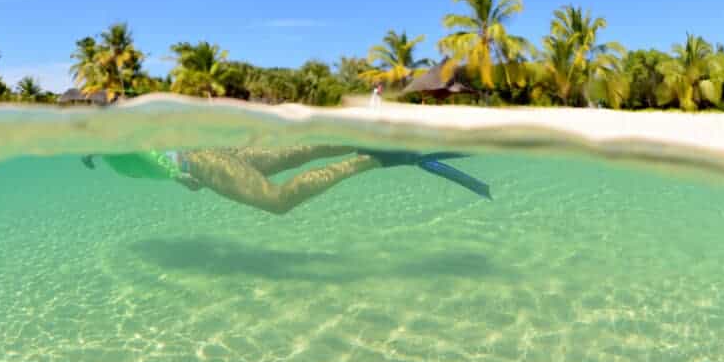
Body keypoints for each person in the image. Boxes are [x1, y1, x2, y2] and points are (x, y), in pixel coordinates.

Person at [82, 146, 490, 215]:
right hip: (214, 155)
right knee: (298, 153)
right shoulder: (104, 149)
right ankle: (362, 138)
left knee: (277, 202)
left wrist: (178, 175)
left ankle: (370, 159)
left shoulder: (113, 145)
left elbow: (147, 152)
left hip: (203, 165)